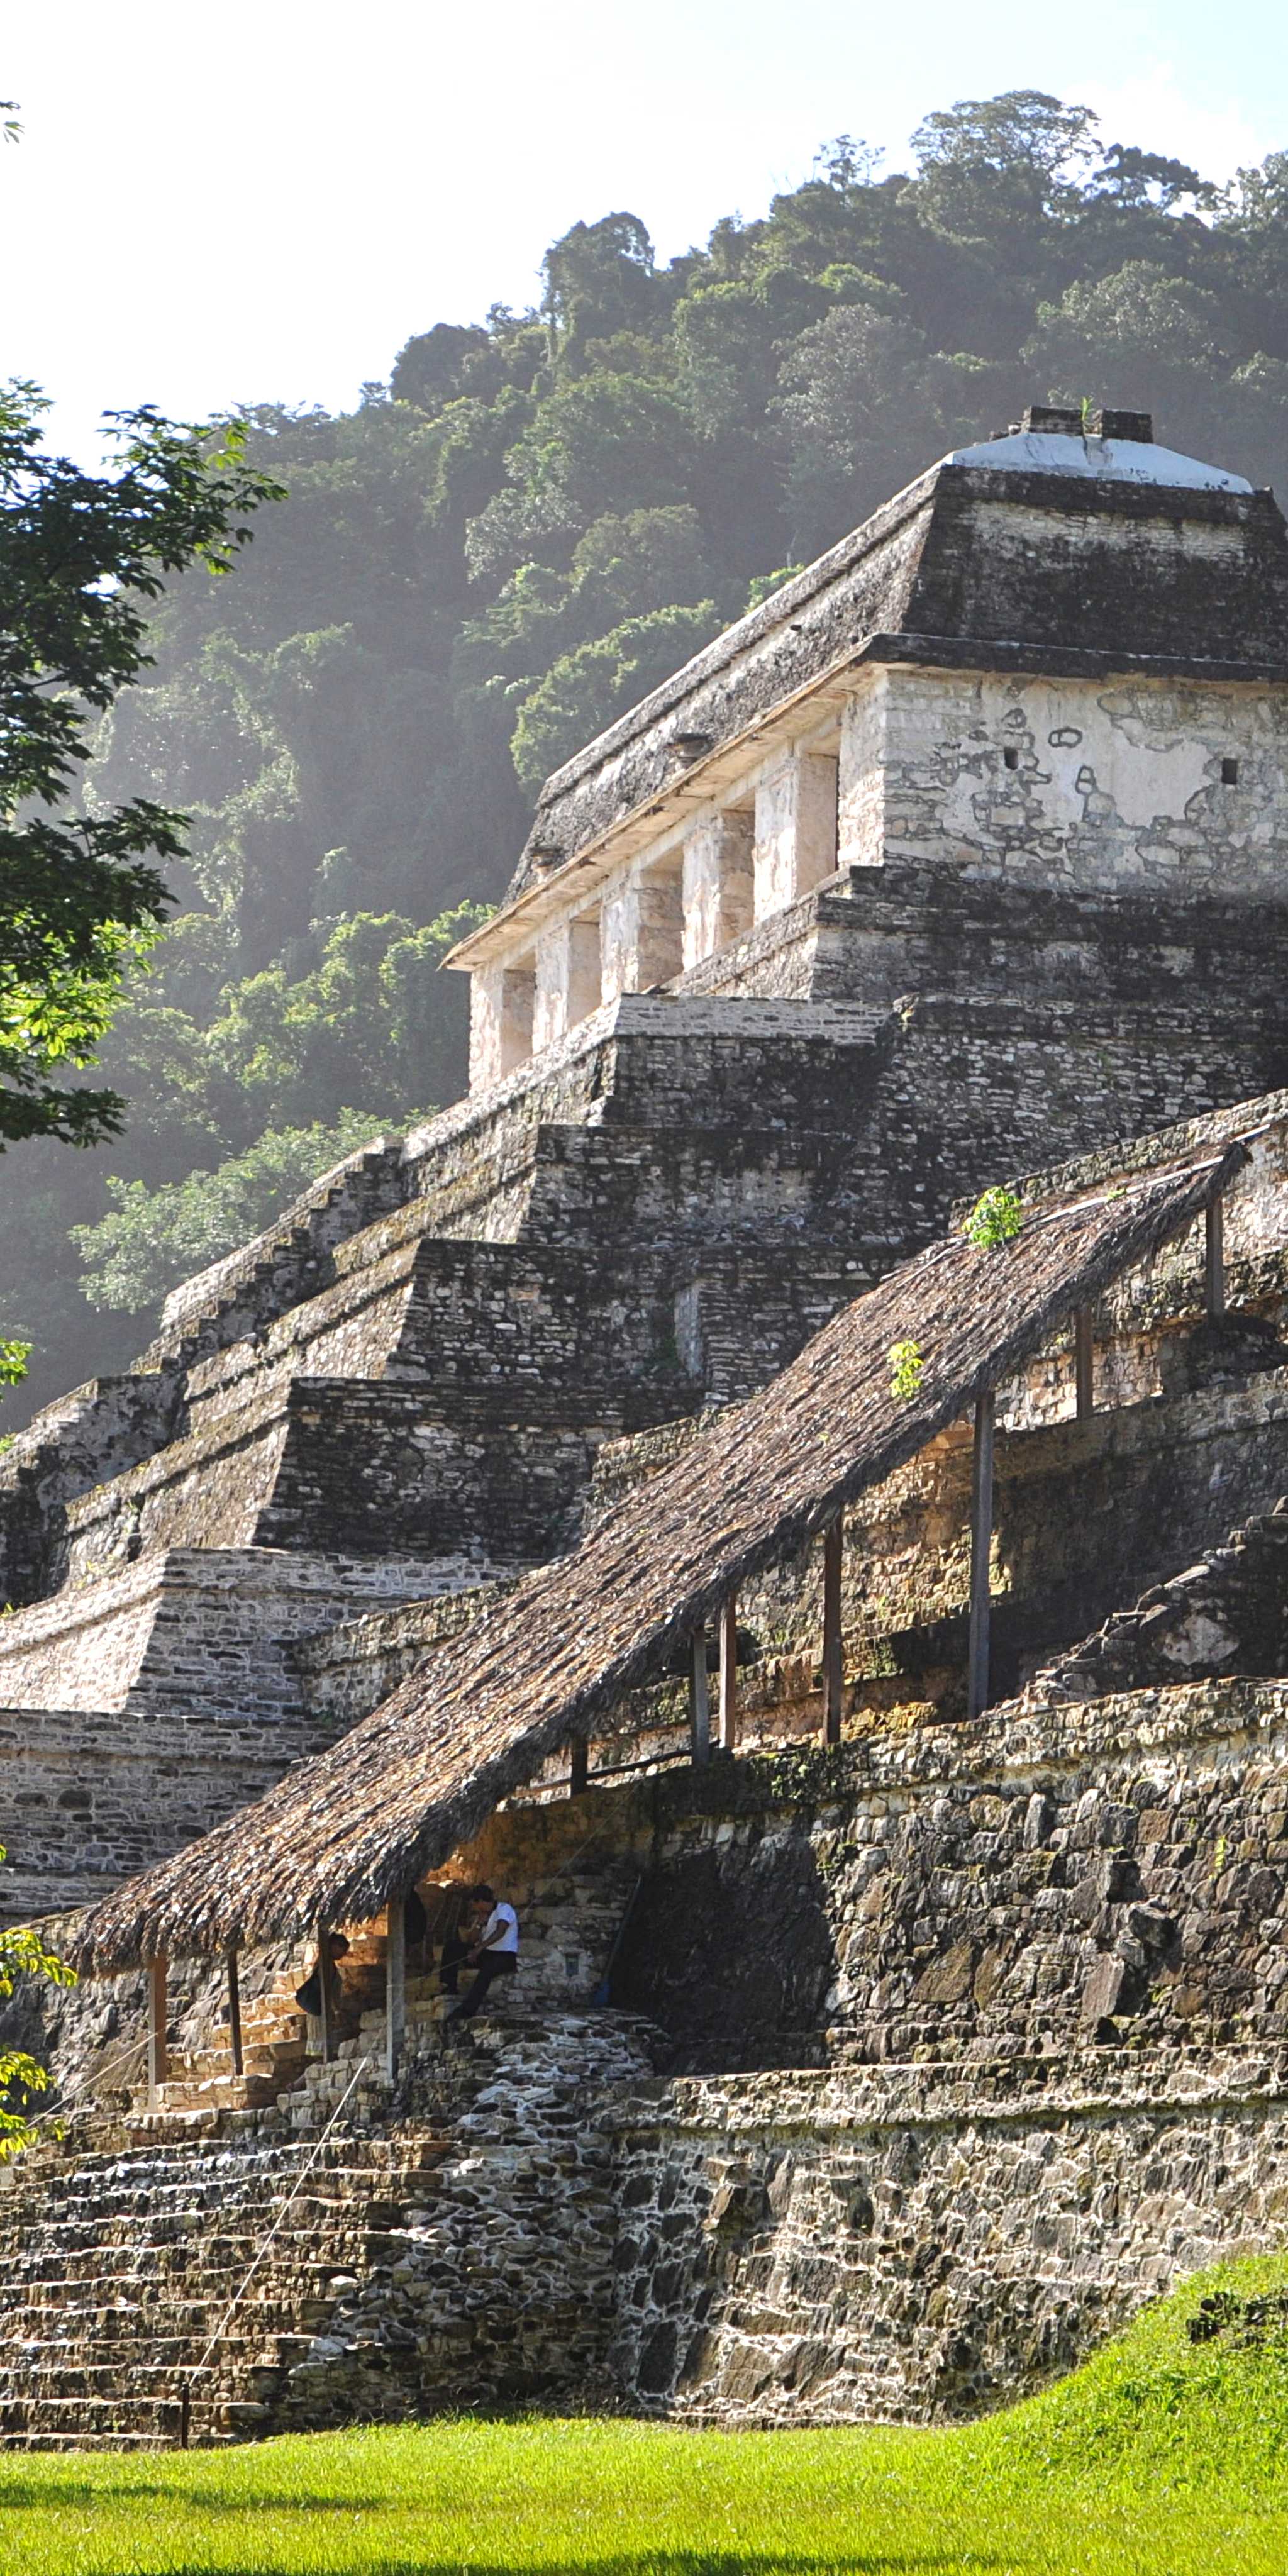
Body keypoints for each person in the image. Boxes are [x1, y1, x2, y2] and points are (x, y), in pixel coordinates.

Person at [444, 1884, 519, 2023]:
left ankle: (467, 2010)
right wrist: (479, 1924)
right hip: (487, 1953)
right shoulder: (482, 1916)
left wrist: (479, 1949)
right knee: (453, 1947)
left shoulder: (504, 1909)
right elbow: (471, 1940)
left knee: (486, 1972)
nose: (474, 1908)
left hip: (505, 1956)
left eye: (475, 1904)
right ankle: (449, 1986)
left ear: (481, 1902)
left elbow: (500, 1931)